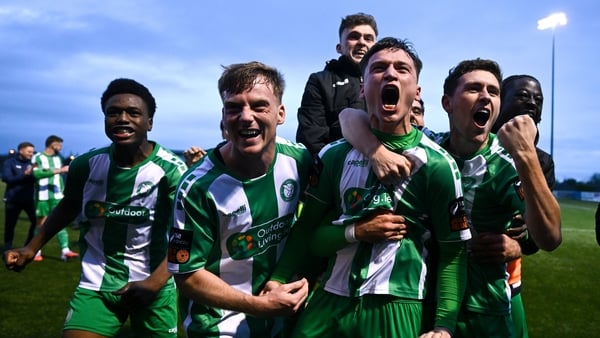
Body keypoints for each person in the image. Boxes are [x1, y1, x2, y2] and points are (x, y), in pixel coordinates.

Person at [340, 58, 562, 337]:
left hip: (482, 310)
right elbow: (349, 117)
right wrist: (375, 151)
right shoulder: (430, 145)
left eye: (493, 92)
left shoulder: (506, 165)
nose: (485, 97)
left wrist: (526, 154)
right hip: (426, 301)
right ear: (447, 103)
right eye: (474, 89)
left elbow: (551, 237)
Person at [267, 37, 471, 338]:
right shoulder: (334, 155)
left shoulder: (438, 165)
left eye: (402, 69)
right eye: (378, 69)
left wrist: (444, 326)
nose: (390, 74)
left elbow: (453, 252)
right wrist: (279, 278)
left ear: (416, 92)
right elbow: (307, 229)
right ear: (362, 88)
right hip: (330, 300)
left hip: (397, 306)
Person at [4, 78, 187, 337]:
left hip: (153, 285)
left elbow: (188, 233)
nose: (122, 118)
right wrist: (31, 247)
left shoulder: (172, 171)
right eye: (113, 112)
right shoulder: (86, 165)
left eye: (133, 113)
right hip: (96, 284)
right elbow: (69, 206)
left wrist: (155, 283)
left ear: (150, 122)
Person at [167, 61, 312, 337]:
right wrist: (258, 305)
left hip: (284, 319)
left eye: (259, 106)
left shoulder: (299, 160)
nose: (246, 117)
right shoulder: (194, 188)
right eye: (234, 107)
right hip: (220, 328)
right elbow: (185, 274)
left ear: (280, 114)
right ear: (224, 116)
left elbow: (317, 216)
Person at [296, 12, 378, 155]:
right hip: (337, 171)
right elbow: (311, 137)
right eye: (354, 36)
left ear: (376, 47)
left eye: (368, 38)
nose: (362, 42)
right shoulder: (320, 81)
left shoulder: (389, 80)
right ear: (339, 47)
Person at [492, 74, 555, 189]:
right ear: (499, 103)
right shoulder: (473, 145)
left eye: (538, 100)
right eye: (523, 96)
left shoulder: (544, 162)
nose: (532, 103)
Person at [31, 135, 78, 261]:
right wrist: (58, 170)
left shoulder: (58, 158)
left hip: (57, 195)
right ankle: (35, 251)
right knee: (41, 224)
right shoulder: (38, 157)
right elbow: (36, 174)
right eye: (59, 144)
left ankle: (65, 251)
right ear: (52, 144)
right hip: (42, 196)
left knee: (60, 222)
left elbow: (60, 176)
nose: (61, 147)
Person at [2, 142, 37, 250]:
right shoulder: (10, 162)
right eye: (29, 151)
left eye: (32, 152)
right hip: (13, 199)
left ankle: (27, 246)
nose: (31, 154)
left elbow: (36, 179)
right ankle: (7, 249)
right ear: (21, 151)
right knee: (10, 226)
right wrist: (25, 175)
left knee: (36, 222)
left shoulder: (33, 164)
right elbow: (7, 179)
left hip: (29, 200)